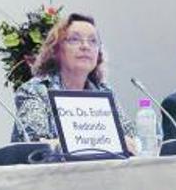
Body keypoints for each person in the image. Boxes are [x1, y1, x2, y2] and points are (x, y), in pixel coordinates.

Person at [10, 12, 134, 144]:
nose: (85, 46)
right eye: (74, 39)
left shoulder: (104, 92)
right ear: (55, 50)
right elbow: (36, 145)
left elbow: (133, 139)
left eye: (93, 41)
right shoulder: (35, 90)